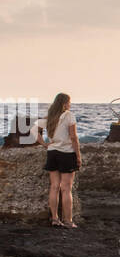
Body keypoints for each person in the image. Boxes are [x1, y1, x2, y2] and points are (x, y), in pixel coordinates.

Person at [38, 93, 82, 228]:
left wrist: (45, 144)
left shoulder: (50, 116)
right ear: (64, 103)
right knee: (66, 188)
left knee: (54, 187)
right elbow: (73, 137)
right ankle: (68, 221)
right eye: (69, 102)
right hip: (67, 154)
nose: (70, 105)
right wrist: (78, 156)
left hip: (52, 153)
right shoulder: (69, 115)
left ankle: (55, 219)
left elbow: (35, 130)